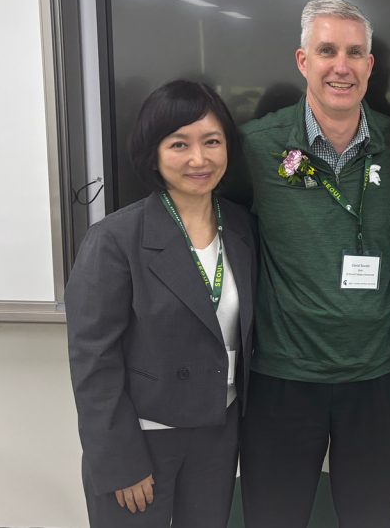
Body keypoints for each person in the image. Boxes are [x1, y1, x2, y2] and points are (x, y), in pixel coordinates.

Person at [235, 0, 390, 527]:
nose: (342, 65)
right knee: (274, 517)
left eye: (355, 53)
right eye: (327, 50)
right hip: (283, 378)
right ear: (302, 61)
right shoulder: (257, 146)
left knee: (368, 518)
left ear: (370, 66)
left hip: (376, 378)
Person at [65, 80, 255, 527]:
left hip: (217, 433)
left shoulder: (242, 228)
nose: (198, 159)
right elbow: (93, 361)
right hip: (143, 439)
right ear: (153, 152)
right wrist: (119, 460)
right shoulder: (115, 239)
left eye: (212, 141)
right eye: (179, 144)